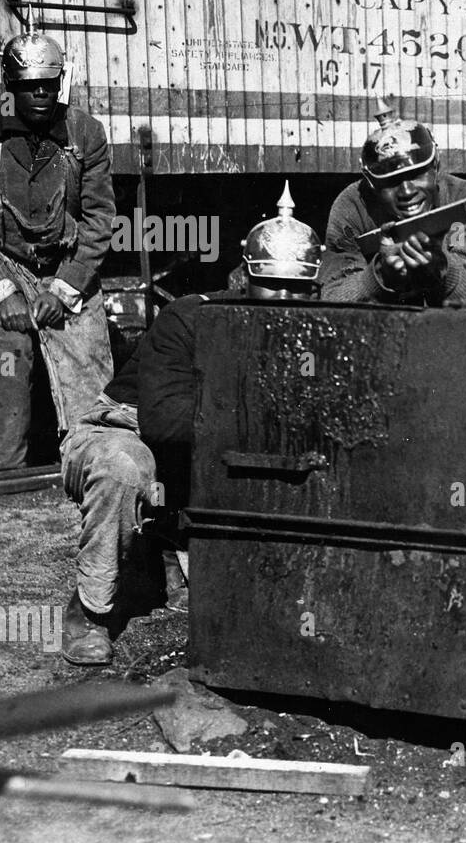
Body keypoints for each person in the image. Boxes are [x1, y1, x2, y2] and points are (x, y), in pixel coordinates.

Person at [59, 184, 322, 664]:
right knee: (125, 468)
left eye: (299, 288)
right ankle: (90, 611)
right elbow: (166, 425)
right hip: (120, 430)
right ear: (243, 278)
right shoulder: (190, 317)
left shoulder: (307, 331)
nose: (286, 299)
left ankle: (163, 546)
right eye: (272, 284)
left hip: (196, 446)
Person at [0, 32, 115, 469]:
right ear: (9, 83)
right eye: (29, 85)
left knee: (90, 375)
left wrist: (65, 290)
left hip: (67, 268)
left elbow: (99, 222)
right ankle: (8, 474)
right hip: (4, 265)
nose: (42, 92)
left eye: (50, 82)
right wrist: (0, 290)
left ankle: (94, 467)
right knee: (11, 353)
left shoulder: (86, 133)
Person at [319, 115, 466, 305]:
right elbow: (333, 296)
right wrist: (380, 275)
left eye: (416, 175)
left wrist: (442, 270)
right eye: (391, 181)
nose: (406, 191)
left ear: (436, 166)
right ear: (371, 183)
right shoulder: (353, 207)